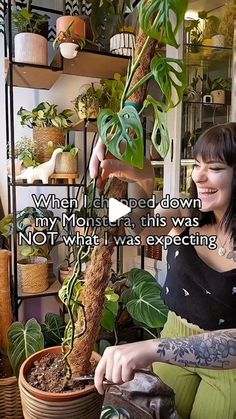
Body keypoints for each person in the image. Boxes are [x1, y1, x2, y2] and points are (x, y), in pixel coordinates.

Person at [89, 123, 236, 419]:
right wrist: (143, 177)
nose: (198, 176)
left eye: (215, 167)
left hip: (227, 366)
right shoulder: (185, 209)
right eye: (197, 165)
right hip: (173, 340)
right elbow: (137, 228)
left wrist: (152, 348)